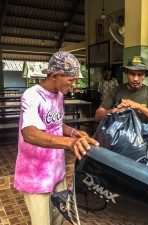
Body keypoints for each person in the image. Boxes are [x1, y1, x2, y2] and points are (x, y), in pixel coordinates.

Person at [14, 51, 99, 225]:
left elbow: (55, 124)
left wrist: (73, 133)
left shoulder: (59, 95)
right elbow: (29, 133)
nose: (74, 85)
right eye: (71, 80)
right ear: (55, 75)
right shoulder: (31, 96)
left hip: (57, 171)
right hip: (36, 175)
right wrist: (70, 142)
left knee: (60, 217)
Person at [95, 56, 148, 124]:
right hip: (119, 135)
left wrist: (137, 106)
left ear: (145, 75)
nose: (135, 79)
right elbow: (97, 116)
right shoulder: (116, 91)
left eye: (140, 74)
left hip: (142, 135)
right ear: (127, 73)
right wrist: (116, 110)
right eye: (132, 74)